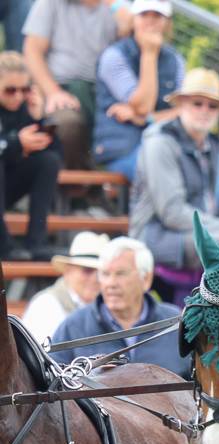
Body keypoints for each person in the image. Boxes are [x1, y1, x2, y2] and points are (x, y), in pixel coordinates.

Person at [129, 67, 219, 306]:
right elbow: (172, 213)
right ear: (180, 104)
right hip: (157, 237)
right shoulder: (160, 142)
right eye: (197, 103)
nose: (205, 111)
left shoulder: (216, 146)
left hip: (203, 233)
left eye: (212, 106)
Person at [50, 237, 188, 378]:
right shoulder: (73, 326)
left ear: (146, 279)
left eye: (121, 274)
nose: (111, 283)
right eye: (105, 274)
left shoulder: (176, 324)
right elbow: (52, 382)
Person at [22, 0, 124, 169]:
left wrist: (120, 9)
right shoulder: (49, 4)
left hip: (106, 92)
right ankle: (78, 183)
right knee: (67, 123)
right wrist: (53, 92)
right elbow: (32, 51)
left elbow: (133, 41)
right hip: (61, 88)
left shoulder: (116, 6)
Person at [92, 0, 184, 182]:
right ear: (133, 20)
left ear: (167, 23)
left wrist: (148, 118)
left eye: (157, 16)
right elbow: (143, 106)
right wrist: (149, 54)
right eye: (144, 15)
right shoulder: (114, 55)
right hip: (123, 150)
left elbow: (185, 112)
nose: (150, 21)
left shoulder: (176, 60)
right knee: (167, 176)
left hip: (167, 146)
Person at [0, 50, 60, 261]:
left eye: (24, 89)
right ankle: (3, 245)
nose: (18, 96)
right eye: (10, 90)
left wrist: (39, 120)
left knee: (48, 162)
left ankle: (37, 243)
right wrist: (17, 143)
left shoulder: (26, 108)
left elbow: (56, 153)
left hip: (7, 187)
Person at [22, 231, 108, 341]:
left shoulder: (108, 305)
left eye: (102, 273)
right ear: (68, 271)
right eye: (87, 270)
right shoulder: (45, 305)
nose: (95, 278)